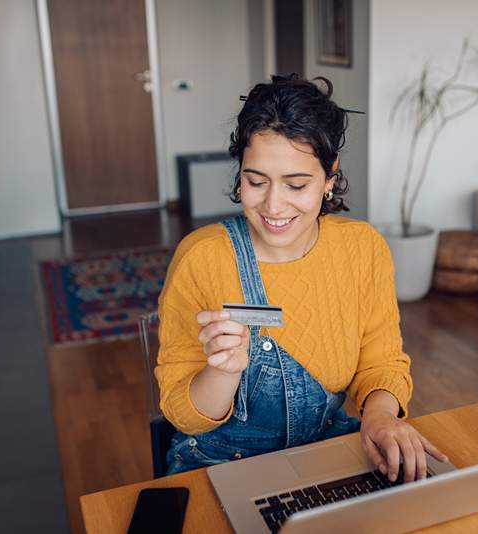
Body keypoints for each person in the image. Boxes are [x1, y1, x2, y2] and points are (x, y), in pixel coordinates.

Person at [156, 74, 446, 483]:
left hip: (325, 453)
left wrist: (380, 417)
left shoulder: (362, 249)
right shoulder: (202, 259)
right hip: (221, 466)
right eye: (256, 181)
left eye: (296, 184)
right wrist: (222, 372)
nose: (273, 205)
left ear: (329, 179)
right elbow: (180, 412)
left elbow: (382, 361)